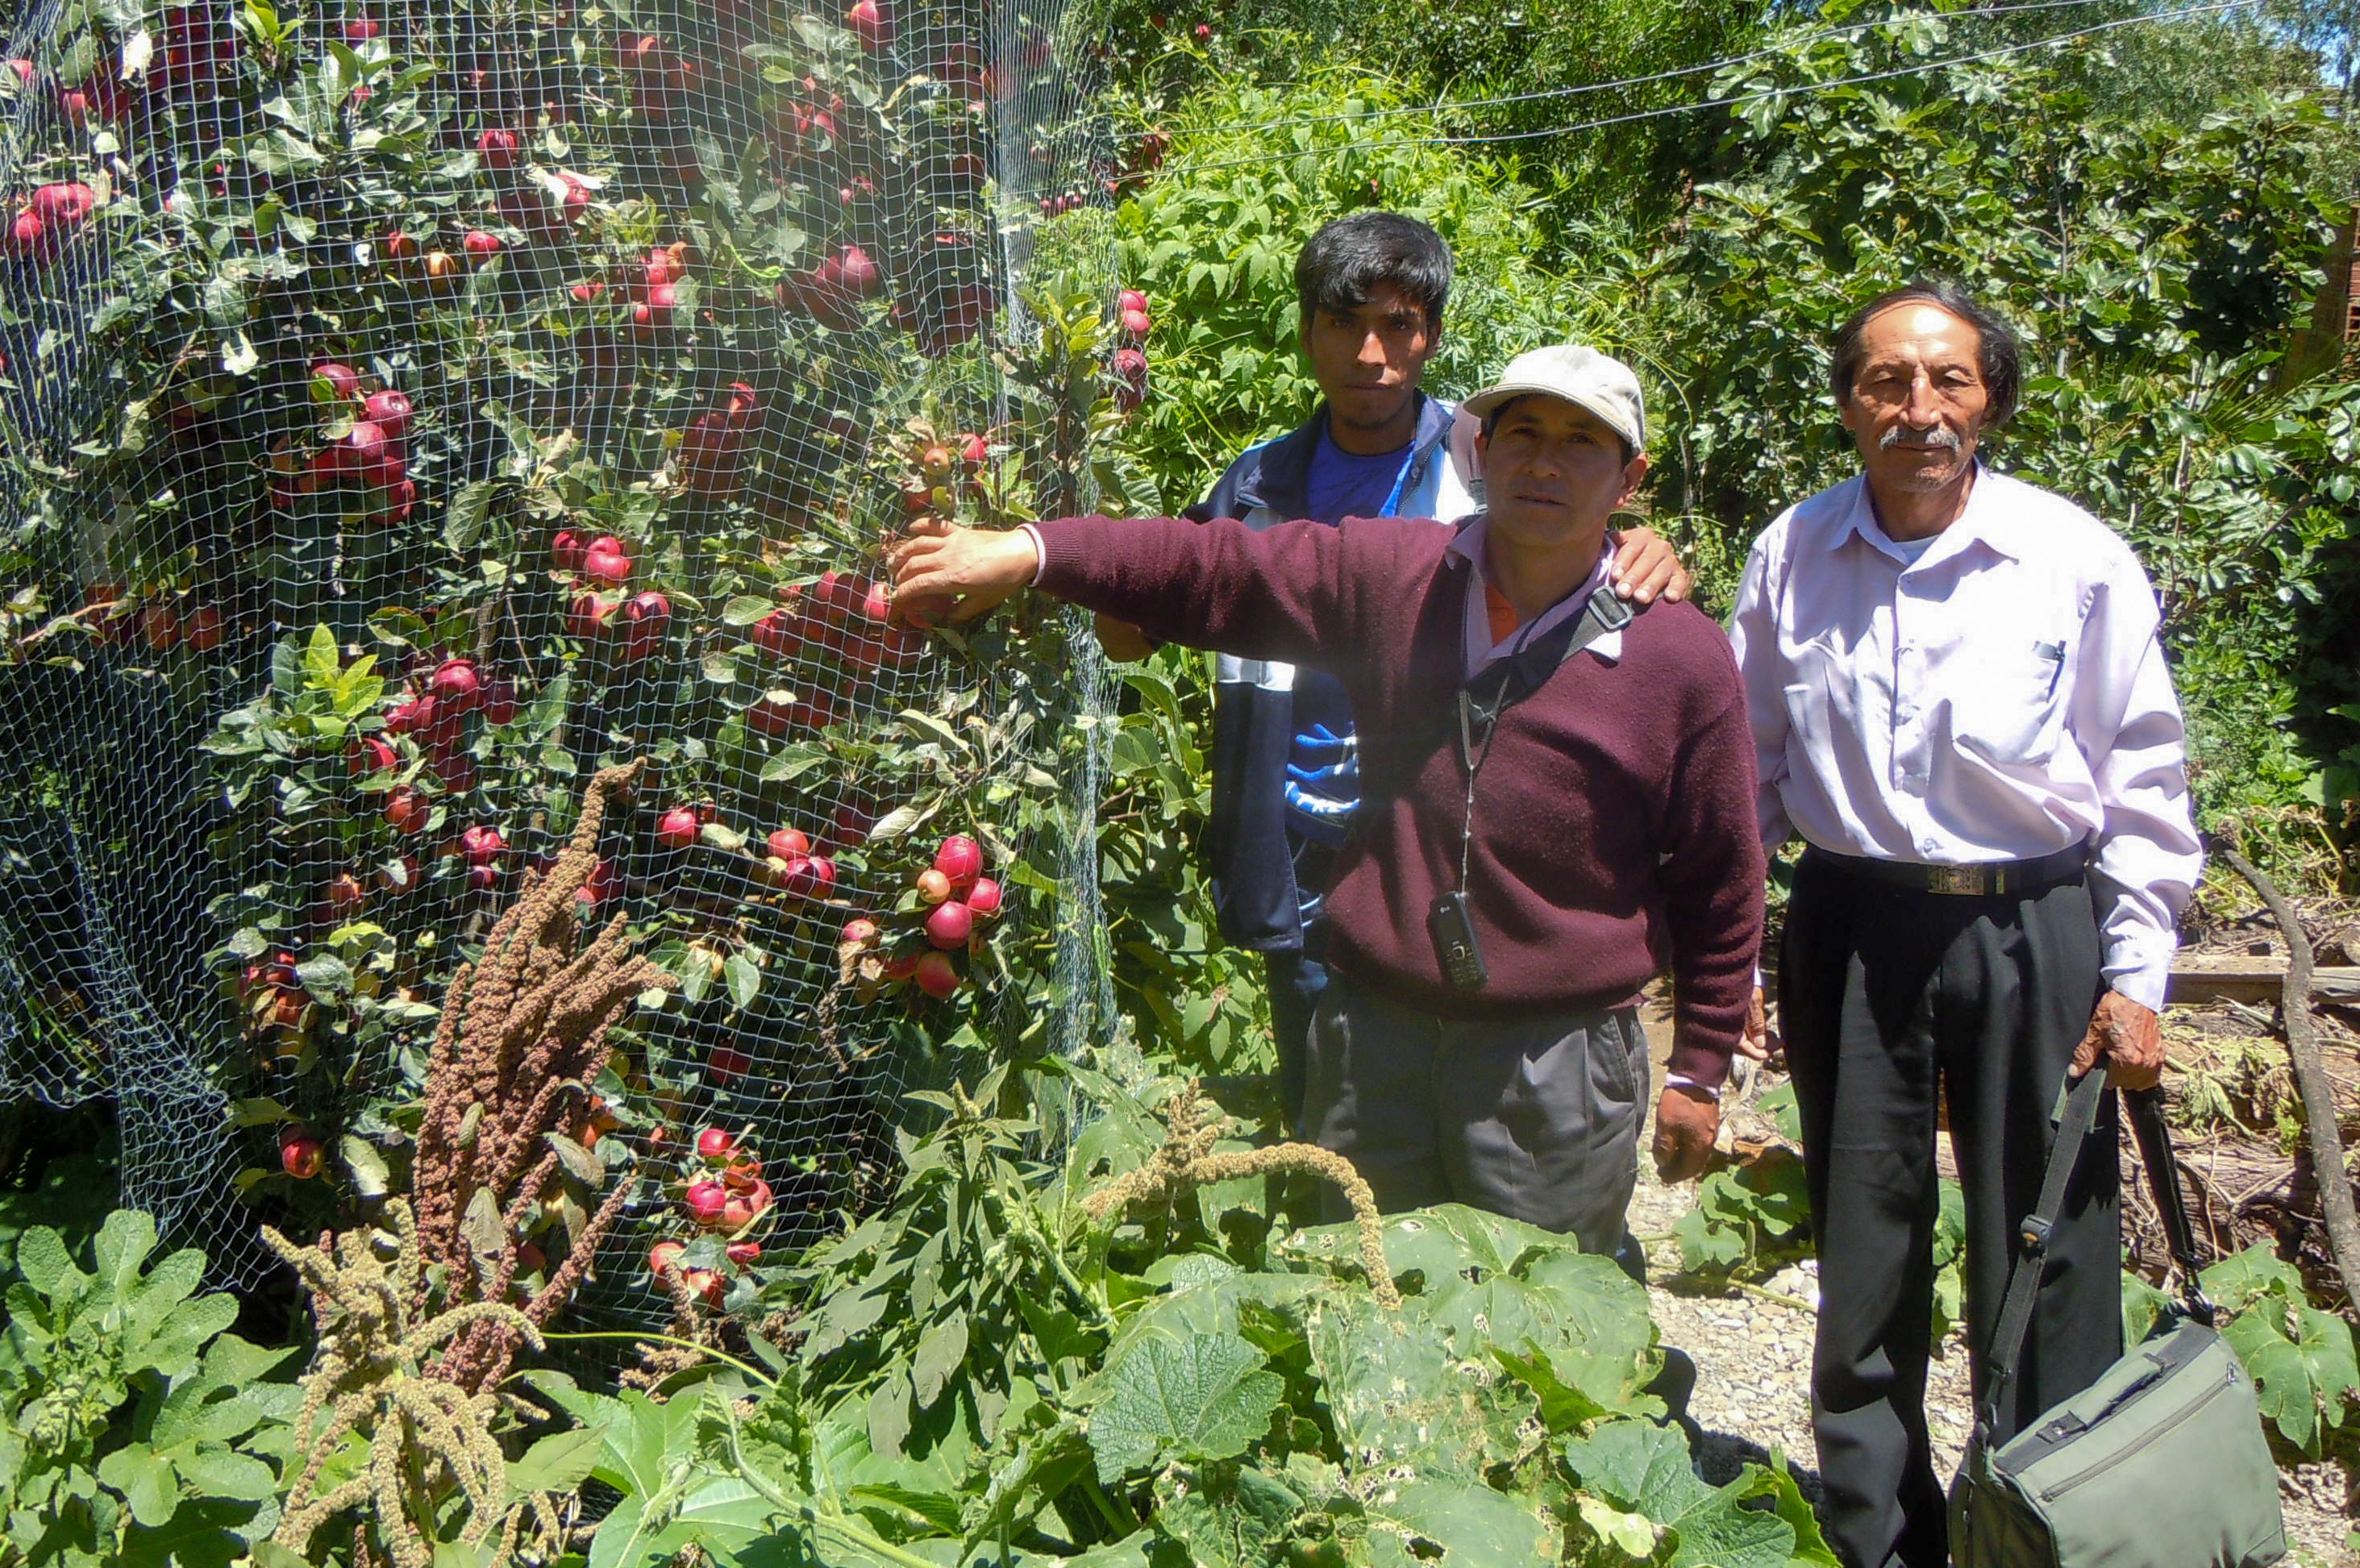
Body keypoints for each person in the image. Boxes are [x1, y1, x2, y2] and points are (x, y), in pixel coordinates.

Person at [891, 345, 1761, 1255]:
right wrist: (1031, 551)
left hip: (1553, 1057)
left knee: (1540, 1331)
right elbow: (1215, 568)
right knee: (1355, 1298)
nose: (1546, 462)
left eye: (1584, 442)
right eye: (1525, 433)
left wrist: (1698, 1068)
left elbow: (1720, 874)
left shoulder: (1679, 659)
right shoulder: (1398, 578)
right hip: (1372, 1037)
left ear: (1629, 477)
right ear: (1482, 452)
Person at [1728, 281, 2198, 1568]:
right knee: (1863, 1244)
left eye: (1949, 382)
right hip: (1852, 923)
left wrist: (2138, 975)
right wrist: (1727, 954)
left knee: (2049, 1251)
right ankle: (1880, 1539)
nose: (1919, 411)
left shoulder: (2071, 557)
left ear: (1990, 401)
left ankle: (2047, 1535)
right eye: (1887, 382)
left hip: (2033, 922)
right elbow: (1747, 769)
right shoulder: (1793, 554)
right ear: (1846, 407)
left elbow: (2144, 779)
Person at [1097, 211, 1691, 1131]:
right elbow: (1143, 629)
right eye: (1344, 323)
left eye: (1399, 325)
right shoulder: (1251, 487)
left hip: (1444, 834)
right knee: (1321, 1094)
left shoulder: (1490, 461)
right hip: (1299, 833)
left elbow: (1588, 547)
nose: (1371, 353)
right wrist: (1090, 570)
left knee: (1465, 1080)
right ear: (1305, 332)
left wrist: (1646, 552)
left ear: (1433, 337)